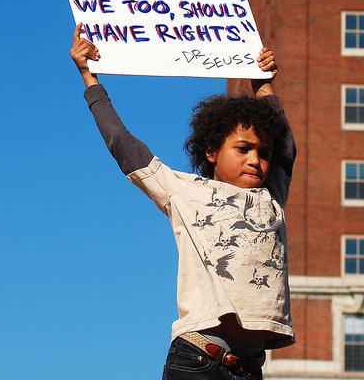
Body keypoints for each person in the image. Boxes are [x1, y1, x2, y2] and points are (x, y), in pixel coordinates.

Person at [70, 23, 296, 380]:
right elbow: (125, 148)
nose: (256, 159)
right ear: (211, 151)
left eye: (262, 152)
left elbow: (286, 149)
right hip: (198, 363)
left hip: (250, 370)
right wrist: (89, 78)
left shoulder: (271, 195)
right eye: (243, 148)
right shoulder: (184, 191)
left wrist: (262, 82)